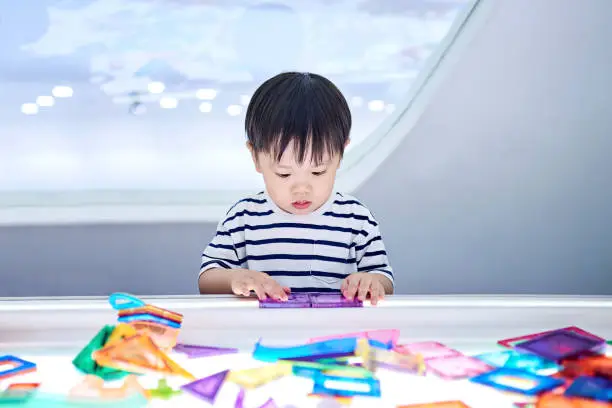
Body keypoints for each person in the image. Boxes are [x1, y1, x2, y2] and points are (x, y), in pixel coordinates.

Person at [198, 72, 394, 305]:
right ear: (256, 157)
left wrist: (371, 281)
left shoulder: (356, 219)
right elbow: (207, 278)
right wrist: (236, 278)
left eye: (318, 171)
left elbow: (384, 280)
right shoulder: (243, 218)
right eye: (284, 173)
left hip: (336, 334)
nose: (301, 188)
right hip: (264, 333)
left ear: (341, 153)